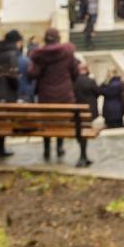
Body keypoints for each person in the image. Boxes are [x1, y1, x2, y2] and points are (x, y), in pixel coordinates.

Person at [27, 28, 78, 160]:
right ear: (58, 38)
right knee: (61, 119)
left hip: (46, 94)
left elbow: (33, 74)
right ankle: (60, 147)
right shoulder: (67, 53)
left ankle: (47, 148)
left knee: (46, 120)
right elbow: (75, 71)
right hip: (64, 94)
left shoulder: (40, 55)